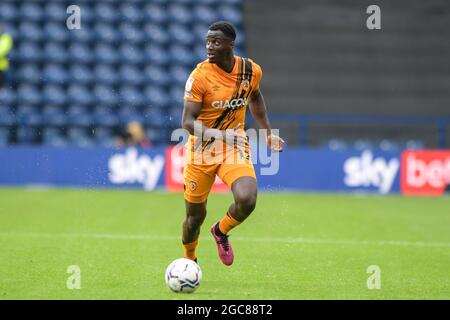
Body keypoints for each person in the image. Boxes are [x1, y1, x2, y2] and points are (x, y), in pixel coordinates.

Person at [181, 21, 284, 265]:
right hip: (201, 151)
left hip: (232, 147)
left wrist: (268, 132)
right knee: (194, 218)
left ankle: (221, 231)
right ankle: (189, 260)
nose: (209, 46)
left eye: (216, 42)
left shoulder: (250, 71)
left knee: (247, 199)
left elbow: (255, 98)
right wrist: (220, 135)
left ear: (230, 44)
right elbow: (186, 121)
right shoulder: (199, 77)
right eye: (207, 41)